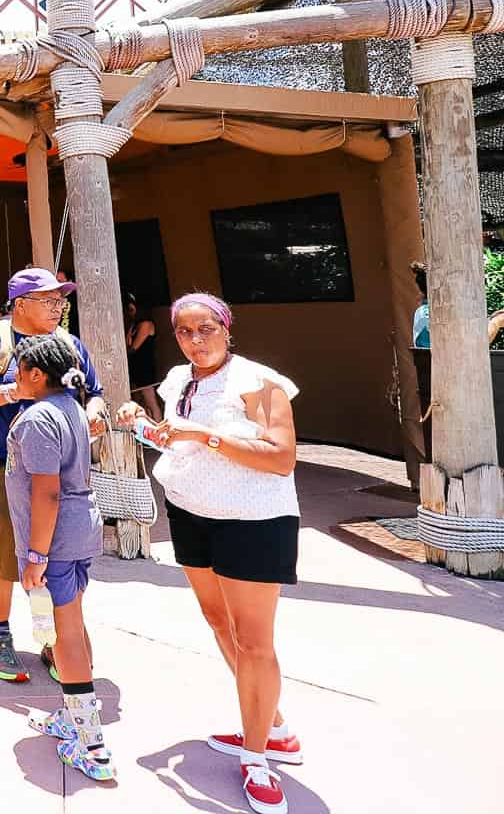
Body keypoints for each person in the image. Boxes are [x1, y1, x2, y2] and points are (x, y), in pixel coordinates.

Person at [114, 293, 302, 814]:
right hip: (191, 513)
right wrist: (141, 425)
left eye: (206, 329)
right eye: (185, 332)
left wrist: (207, 435)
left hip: (253, 521)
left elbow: (281, 457)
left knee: (255, 642)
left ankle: (259, 757)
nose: (196, 341)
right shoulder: (179, 380)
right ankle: (274, 726)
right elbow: (177, 442)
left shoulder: (258, 382)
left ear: (226, 327)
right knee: (219, 623)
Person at [0, 267, 106, 684]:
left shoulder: (69, 346)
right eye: (49, 300)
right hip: (8, 468)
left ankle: (55, 638)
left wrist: (94, 414)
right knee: (4, 552)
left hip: (65, 472)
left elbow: (94, 392)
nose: (59, 308)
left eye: (61, 301)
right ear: (20, 304)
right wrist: (10, 392)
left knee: (59, 556)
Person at [6, 334, 114, 782]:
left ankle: (92, 744)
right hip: (78, 529)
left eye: (19, 369)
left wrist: (36, 554)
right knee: (74, 622)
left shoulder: (38, 418)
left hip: (56, 541)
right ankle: (73, 716)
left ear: (35, 373)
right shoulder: (71, 406)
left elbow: (47, 489)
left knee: (64, 633)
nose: (15, 377)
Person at [126, 292, 162, 418]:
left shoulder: (146, 324)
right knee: (142, 404)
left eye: (132, 309)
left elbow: (134, 347)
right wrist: (130, 325)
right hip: (136, 367)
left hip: (145, 366)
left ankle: (158, 428)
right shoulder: (135, 325)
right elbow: (128, 343)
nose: (131, 312)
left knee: (150, 401)